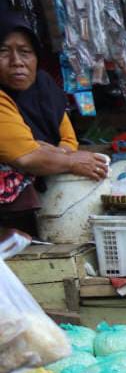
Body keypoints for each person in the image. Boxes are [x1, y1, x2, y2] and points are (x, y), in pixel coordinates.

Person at [0, 12, 106, 235]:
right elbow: (26, 156)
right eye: (3, 52)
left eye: (25, 52)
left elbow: (67, 139)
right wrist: (65, 161)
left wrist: (54, 154)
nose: (16, 62)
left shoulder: (44, 87)